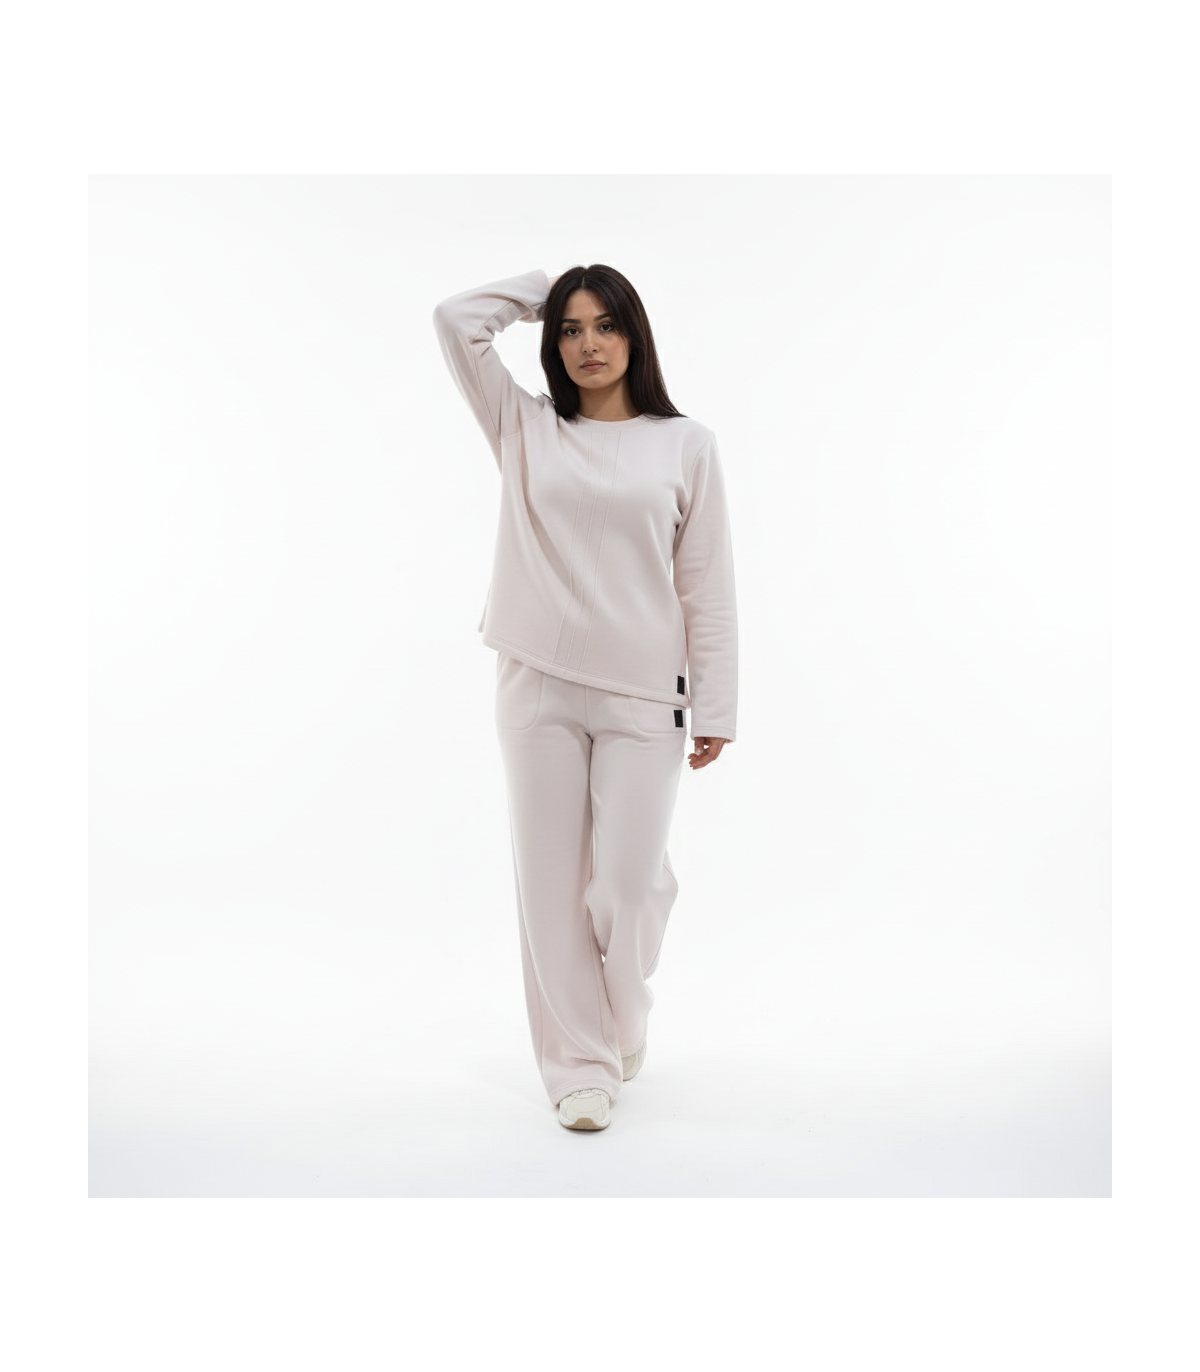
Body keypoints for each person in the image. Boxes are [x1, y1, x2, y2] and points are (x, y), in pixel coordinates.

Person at [431, 265, 738, 1131]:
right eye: (569, 329)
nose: (588, 344)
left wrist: (715, 707)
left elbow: (706, 586)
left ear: (635, 334)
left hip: (644, 696)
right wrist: (543, 288)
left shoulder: (687, 444)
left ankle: (620, 1019)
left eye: (606, 325)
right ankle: (577, 1067)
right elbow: (454, 319)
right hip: (537, 687)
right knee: (549, 889)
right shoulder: (524, 426)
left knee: (627, 889)